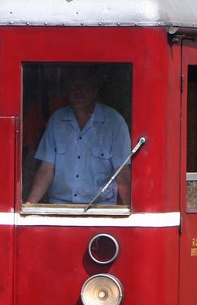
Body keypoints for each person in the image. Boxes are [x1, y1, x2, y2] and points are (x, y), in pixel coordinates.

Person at [24, 67, 131, 206]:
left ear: (95, 90)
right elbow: (46, 169)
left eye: (84, 84)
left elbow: (122, 172)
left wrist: (131, 214)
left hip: (101, 209)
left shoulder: (114, 122)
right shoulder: (57, 120)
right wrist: (29, 206)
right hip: (59, 207)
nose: (78, 90)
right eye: (74, 85)